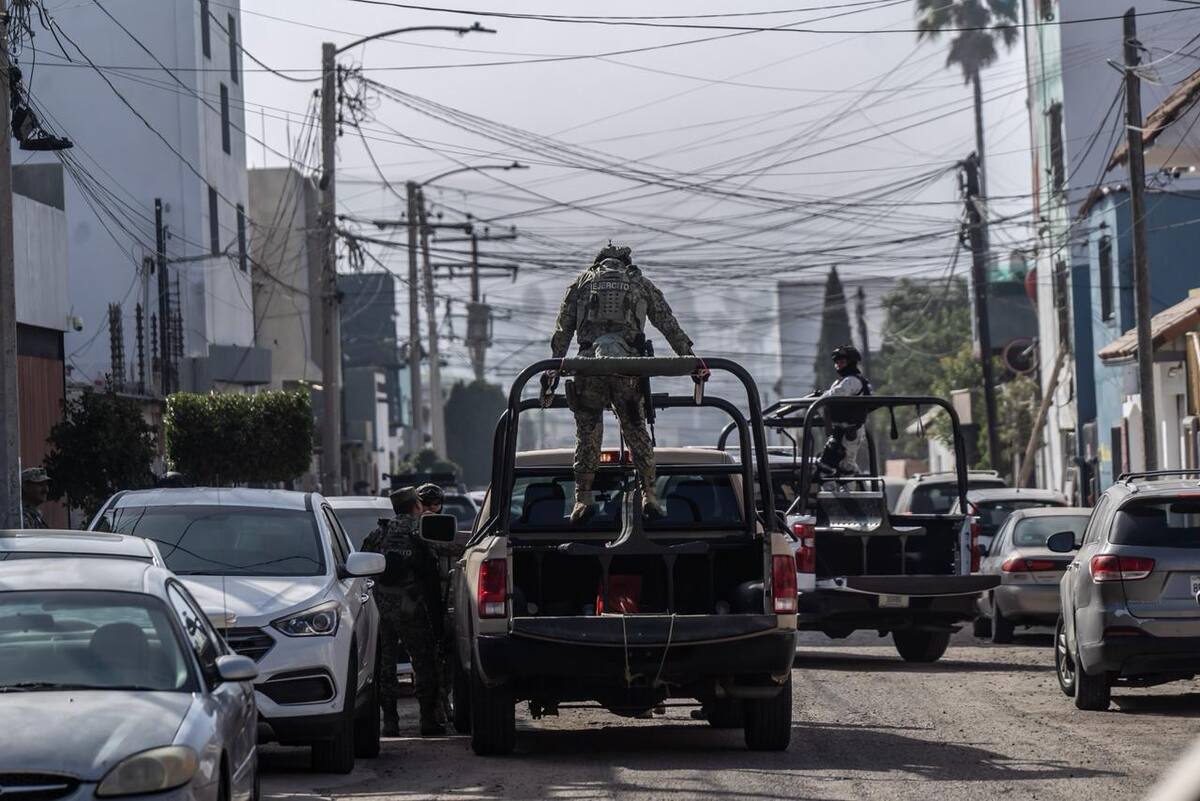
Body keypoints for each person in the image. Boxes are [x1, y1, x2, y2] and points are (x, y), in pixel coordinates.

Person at [549, 243, 698, 522]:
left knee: (588, 431)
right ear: (624, 261)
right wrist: (689, 358)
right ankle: (649, 495)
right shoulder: (639, 282)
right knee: (636, 428)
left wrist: (553, 370)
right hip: (628, 368)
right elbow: (667, 323)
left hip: (588, 366)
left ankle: (582, 498)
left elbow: (562, 331)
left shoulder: (581, 283)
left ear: (599, 262)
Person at [361, 487, 446, 737]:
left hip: (382, 610)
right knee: (423, 662)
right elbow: (434, 567)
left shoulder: (379, 533)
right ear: (416, 506)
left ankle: (390, 723)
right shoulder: (419, 532)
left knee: (385, 666)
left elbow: (364, 565)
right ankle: (428, 720)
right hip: (412, 609)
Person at [816, 345, 872, 480]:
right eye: (836, 363)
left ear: (851, 362)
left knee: (845, 466)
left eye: (842, 362)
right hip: (839, 429)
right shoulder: (841, 381)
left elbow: (837, 394)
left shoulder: (854, 380)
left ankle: (850, 495)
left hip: (851, 431)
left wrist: (820, 398)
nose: (838, 366)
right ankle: (836, 491)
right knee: (829, 462)